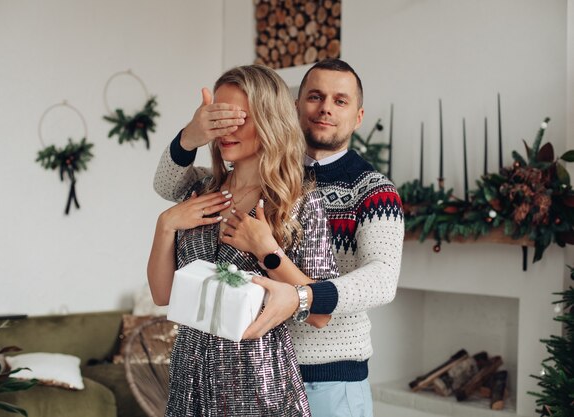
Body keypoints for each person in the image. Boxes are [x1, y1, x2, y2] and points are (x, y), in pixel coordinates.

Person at [153, 59, 405, 417]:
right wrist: (190, 137)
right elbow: (167, 186)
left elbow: (381, 280)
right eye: (315, 97)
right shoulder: (254, 171)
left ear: (359, 115)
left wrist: (296, 287)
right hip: (238, 372)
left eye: (340, 100)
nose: (325, 109)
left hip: (326, 375)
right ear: (295, 107)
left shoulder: (371, 190)